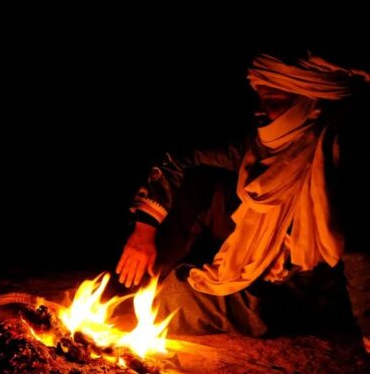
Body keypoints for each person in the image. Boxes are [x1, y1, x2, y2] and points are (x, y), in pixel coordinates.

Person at [115, 53, 370, 337]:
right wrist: (143, 232)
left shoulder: (339, 160)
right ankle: (149, 283)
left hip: (295, 286)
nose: (259, 111)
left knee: (171, 303)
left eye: (273, 101)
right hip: (252, 261)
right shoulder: (258, 149)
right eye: (260, 100)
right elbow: (179, 159)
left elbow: (361, 252)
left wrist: (367, 326)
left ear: (309, 104)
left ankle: (164, 298)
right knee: (198, 179)